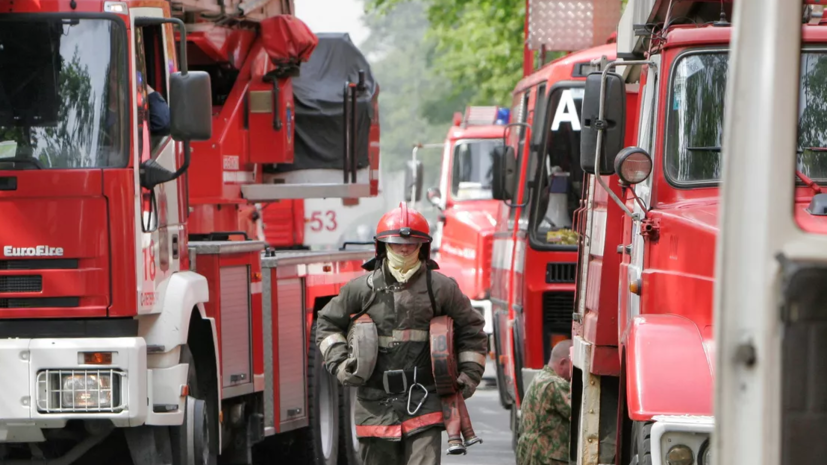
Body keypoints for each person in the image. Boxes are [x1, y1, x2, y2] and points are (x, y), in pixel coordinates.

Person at [315, 202, 488, 465]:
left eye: (411, 243)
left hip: (425, 400)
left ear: (423, 246)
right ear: (383, 246)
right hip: (374, 405)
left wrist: (469, 376)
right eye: (396, 243)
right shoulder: (361, 289)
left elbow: (472, 329)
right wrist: (340, 364)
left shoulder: (441, 288)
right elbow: (327, 323)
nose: (404, 248)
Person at [516, 339, 573, 465]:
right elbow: (581, 415)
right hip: (546, 457)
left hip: (531, 454)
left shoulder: (540, 378)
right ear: (563, 363)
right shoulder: (556, 384)